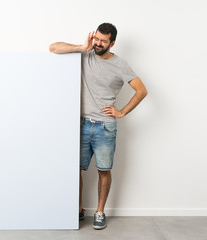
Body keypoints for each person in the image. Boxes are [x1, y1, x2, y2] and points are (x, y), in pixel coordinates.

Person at [49, 23, 147, 230]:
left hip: (105, 127)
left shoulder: (120, 65)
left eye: (103, 41)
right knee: (75, 169)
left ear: (112, 43)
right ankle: (78, 209)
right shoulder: (86, 54)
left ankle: (100, 211)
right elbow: (53, 48)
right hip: (81, 124)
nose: (98, 44)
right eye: (97, 39)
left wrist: (121, 112)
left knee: (104, 170)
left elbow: (141, 90)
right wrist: (81, 47)